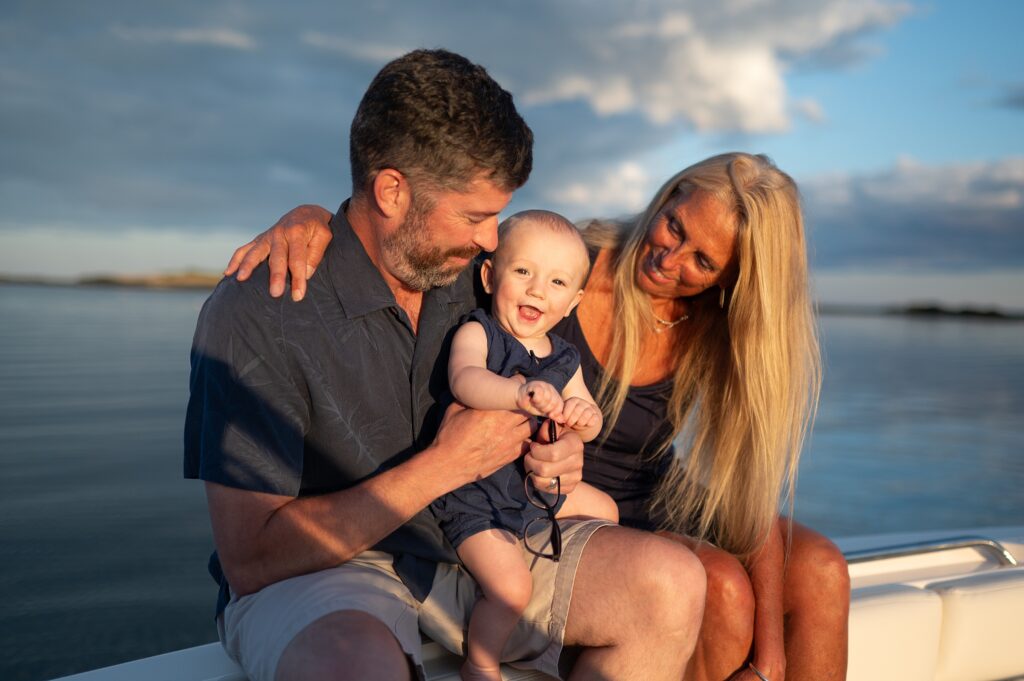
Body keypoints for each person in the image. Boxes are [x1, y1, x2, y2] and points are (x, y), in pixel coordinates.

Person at [228, 152, 852, 681]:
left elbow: (749, 489)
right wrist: (311, 220)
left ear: (730, 281)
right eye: (674, 225)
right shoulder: (558, 271)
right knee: (720, 588)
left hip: (648, 492)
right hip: (549, 492)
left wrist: (768, 665)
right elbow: (442, 245)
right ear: (669, 195)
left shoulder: (718, 332)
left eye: (703, 262)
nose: (671, 257)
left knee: (822, 569)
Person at [186, 48, 706, 681]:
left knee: (672, 583)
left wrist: (560, 453)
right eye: (475, 215)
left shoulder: (477, 279)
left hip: (486, 545)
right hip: (329, 573)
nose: (493, 239)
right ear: (391, 191)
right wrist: (444, 466)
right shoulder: (259, 311)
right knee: (355, 664)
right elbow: (252, 559)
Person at [437, 209, 618, 680]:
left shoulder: (563, 356)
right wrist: (517, 394)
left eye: (557, 283)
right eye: (523, 272)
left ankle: (569, 629)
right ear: (489, 275)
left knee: (606, 511)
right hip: (475, 495)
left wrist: (584, 418)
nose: (538, 289)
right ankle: (480, 661)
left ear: (574, 301)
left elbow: (588, 416)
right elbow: (465, 380)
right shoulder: (480, 332)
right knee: (511, 588)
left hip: (530, 490)